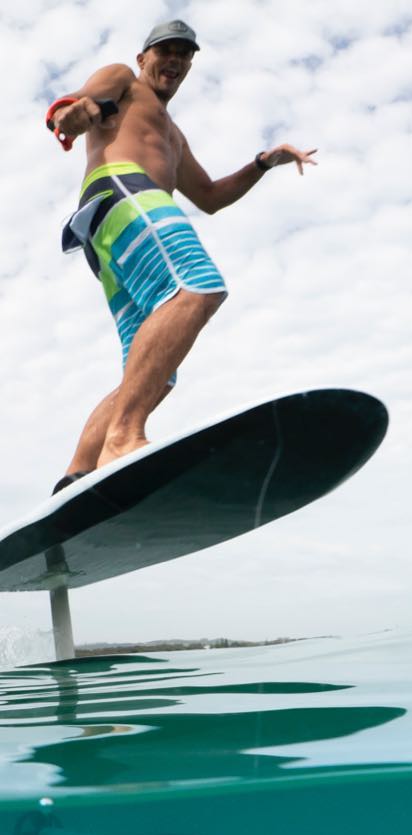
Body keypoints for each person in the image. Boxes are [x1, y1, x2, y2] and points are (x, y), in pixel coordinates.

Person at [46, 19, 317, 491]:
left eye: (184, 54)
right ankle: (123, 437)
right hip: (123, 191)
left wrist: (261, 164)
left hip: (108, 231)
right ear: (143, 58)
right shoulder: (125, 82)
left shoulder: (173, 134)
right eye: (165, 51)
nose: (174, 60)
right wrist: (74, 112)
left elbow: (210, 196)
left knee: (153, 374)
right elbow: (83, 99)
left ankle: (77, 474)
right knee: (196, 285)